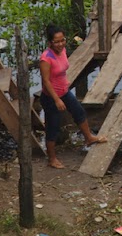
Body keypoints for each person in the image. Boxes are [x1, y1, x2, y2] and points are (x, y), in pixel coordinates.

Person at [39, 25, 105, 169]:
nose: (61, 44)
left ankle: (89, 138)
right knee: (53, 127)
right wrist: (56, 99)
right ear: (50, 42)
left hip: (64, 91)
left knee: (79, 112)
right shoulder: (46, 58)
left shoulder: (62, 51)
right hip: (51, 97)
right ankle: (52, 158)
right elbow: (46, 81)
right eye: (57, 42)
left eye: (62, 40)